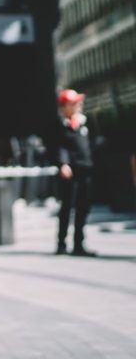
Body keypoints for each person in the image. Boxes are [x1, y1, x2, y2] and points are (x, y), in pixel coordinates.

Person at [54, 88, 96, 256]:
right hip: (70, 172)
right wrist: (63, 164)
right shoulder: (60, 126)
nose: (79, 105)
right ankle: (61, 243)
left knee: (83, 207)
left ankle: (79, 244)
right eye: (74, 103)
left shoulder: (85, 123)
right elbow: (58, 147)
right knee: (67, 207)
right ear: (65, 107)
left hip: (85, 170)